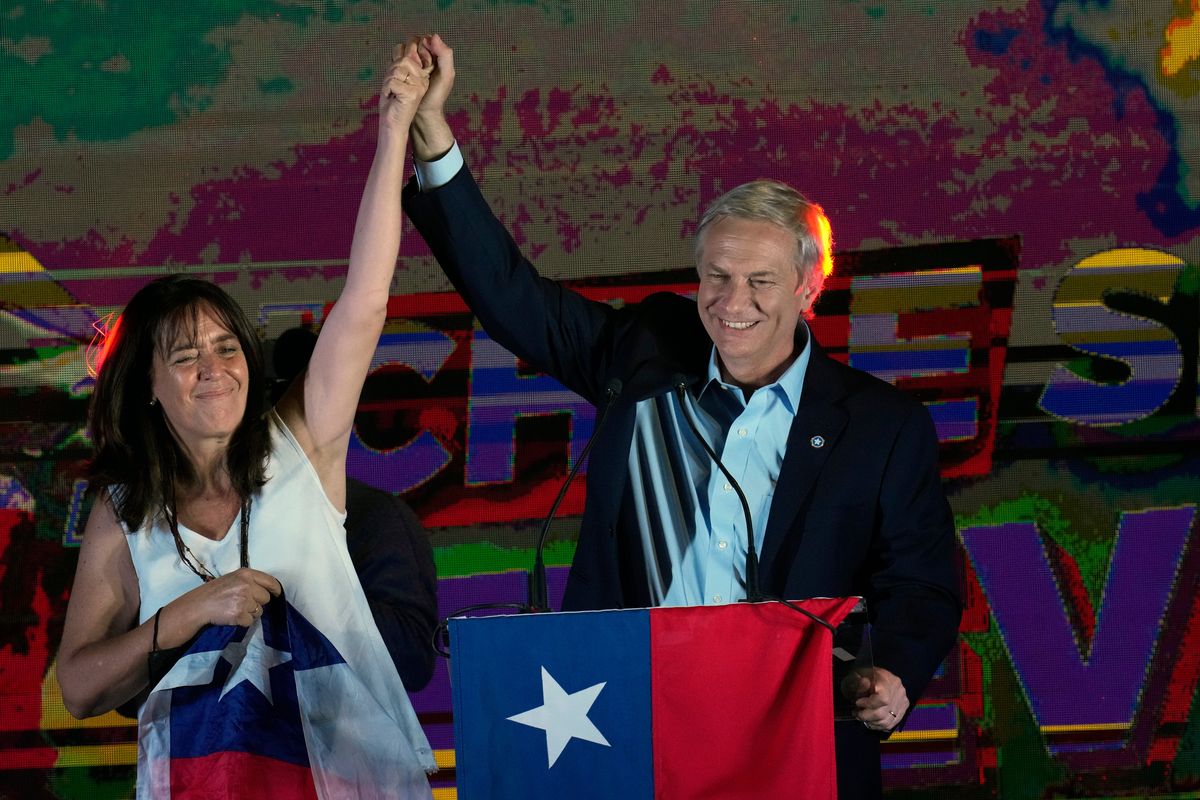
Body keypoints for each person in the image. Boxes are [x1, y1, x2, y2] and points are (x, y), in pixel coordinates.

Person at [400, 35, 962, 798]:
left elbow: (922, 581)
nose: (733, 305)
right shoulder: (646, 354)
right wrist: (434, 137)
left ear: (808, 287)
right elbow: (512, 296)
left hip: (786, 730)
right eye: (716, 277)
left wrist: (894, 669)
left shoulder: (881, 426)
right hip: (628, 718)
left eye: (760, 281)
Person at [56, 43, 437, 797]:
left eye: (228, 347)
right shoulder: (126, 510)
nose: (215, 367)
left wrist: (395, 131)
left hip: (349, 782)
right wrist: (186, 614)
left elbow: (364, 301)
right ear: (149, 390)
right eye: (187, 355)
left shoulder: (303, 442)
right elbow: (79, 684)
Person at [271, 325, 439, 691]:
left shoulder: (374, 516)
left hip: (334, 740)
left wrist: (294, 589)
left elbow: (412, 657)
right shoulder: (209, 517)